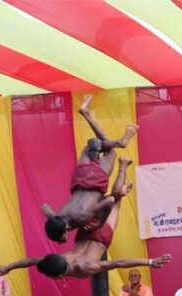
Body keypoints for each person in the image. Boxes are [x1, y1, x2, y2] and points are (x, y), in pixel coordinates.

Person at [0, 159, 172, 279]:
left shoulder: (84, 267)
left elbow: (117, 263)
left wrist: (150, 262)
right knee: (114, 198)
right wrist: (8, 267)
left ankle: (123, 168)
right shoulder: (59, 258)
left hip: (101, 236)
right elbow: (31, 260)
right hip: (85, 232)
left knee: (117, 201)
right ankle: (121, 173)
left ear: (60, 276)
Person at [42, 94, 138, 242]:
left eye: (60, 239)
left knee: (111, 153)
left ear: (65, 229)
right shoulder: (57, 217)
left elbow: (110, 201)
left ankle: (120, 143)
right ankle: (86, 113)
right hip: (79, 177)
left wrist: (100, 223)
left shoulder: (81, 218)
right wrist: (52, 217)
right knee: (91, 147)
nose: (60, 242)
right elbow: (44, 207)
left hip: (94, 182)